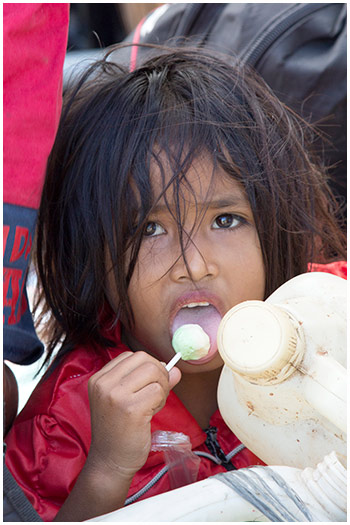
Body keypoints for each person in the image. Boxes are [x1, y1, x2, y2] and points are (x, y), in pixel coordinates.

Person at [5, 45, 346, 522]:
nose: (194, 264)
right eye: (149, 230)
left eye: (226, 220)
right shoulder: (66, 420)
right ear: (95, 257)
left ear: (275, 227)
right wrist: (106, 467)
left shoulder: (332, 322)